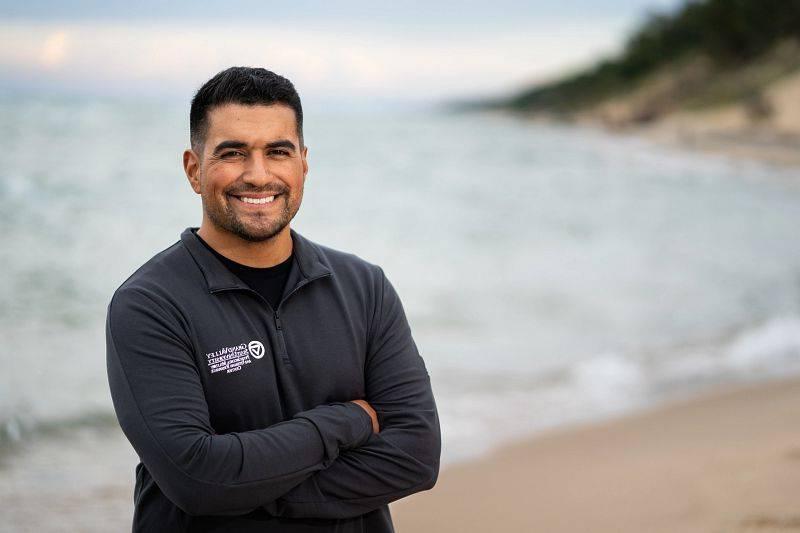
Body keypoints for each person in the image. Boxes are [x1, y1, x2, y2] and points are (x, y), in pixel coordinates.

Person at [105, 66, 441, 532]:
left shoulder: (364, 287)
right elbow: (195, 479)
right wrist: (345, 421)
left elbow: (416, 456)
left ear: (303, 163)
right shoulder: (149, 305)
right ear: (193, 169)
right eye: (233, 153)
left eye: (277, 152)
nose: (258, 175)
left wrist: (243, 495)